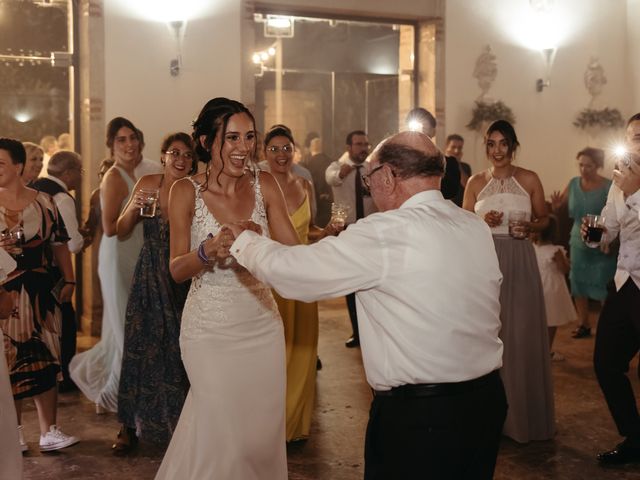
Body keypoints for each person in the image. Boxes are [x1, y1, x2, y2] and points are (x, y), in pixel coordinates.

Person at [228, 130, 507, 479]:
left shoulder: (384, 232)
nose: (368, 186)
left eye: (369, 177)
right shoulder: (473, 226)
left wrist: (245, 241)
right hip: (486, 402)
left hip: (423, 419)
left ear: (388, 176)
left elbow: (296, 275)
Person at [155, 97, 298, 479]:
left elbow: (294, 253)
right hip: (209, 331)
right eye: (231, 137)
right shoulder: (185, 191)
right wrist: (205, 251)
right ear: (206, 142)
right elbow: (176, 269)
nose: (244, 147)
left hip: (261, 326)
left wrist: (260, 244)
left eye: (249, 136)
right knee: (225, 435)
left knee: (257, 438)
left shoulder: (265, 184)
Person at [463, 119, 555, 443]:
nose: (497, 150)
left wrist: (531, 226)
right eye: (491, 143)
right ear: (486, 147)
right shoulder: (474, 182)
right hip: (487, 263)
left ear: (513, 146)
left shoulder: (529, 178)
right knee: (490, 336)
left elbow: (544, 219)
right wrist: (479, 219)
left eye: (503, 143)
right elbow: (463, 225)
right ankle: (490, 417)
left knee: (521, 334)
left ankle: (523, 417)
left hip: (520, 258)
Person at [112, 132, 195, 454]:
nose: (181, 159)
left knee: (180, 349)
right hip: (149, 272)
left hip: (184, 274)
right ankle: (128, 425)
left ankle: (183, 424)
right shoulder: (148, 182)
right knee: (140, 346)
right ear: (163, 156)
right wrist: (134, 209)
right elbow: (120, 230)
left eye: (187, 155)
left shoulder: (196, 189)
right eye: (174, 152)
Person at [0, 138, 79, 452]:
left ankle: (49, 430)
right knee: (10, 359)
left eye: (1, 163)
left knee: (46, 355)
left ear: (18, 166)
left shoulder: (46, 202)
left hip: (41, 289)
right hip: (4, 290)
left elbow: (60, 244)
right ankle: (13, 430)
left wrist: (69, 281)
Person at [262, 124, 340, 442]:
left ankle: (293, 426)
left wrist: (329, 231)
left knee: (304, 348)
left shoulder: (305, 185)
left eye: (286, 148)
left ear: (295, 151)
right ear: (263, 153)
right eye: (274, 149)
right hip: (270, 277)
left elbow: (308, 232)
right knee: (273, 349)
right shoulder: (256, 187)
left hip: (303, 276)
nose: (282, 155)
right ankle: (267, 423)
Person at [70, 117, 145, 414]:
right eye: (121, 140)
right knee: (125, 329)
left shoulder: (139, 173)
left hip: (135, 253)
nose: (129, 145)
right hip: (117, 257)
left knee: (121, 331)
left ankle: (111, 392)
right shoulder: (114, 177)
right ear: (111, 146)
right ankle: (121, 397)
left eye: (132, 138)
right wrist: (139, 208)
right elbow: (112, 228)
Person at [593, 113, 640, 465]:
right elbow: (610, 228)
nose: (632, 143)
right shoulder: (618, 180)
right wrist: (595, 235)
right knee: (606, 363)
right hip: (624, 283)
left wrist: (635, 191)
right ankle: (635, 437)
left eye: (638, 137)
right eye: (630, 137)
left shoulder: (631, 183)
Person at [32, 151, 87, 392]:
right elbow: (71, 243)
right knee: (65, 324)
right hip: (55, 272)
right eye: (80, 171)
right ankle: (64, 376)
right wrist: (87, 234)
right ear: (68, 173)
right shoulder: (62, 197)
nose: (81, 177)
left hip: (34, 266)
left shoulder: (35, 188)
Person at [551, 147, 615, 339]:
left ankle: (607, 326)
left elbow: (616, 212)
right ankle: (584, 324)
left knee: (604, 283)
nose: (584, 169)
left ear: (598, 166)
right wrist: (555, 206)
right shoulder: (573, 183)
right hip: (578, 239)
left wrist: (609, 236)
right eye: (581, 165)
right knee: (578, 282)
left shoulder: (608, 186)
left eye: (589, 165)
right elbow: (560, 205)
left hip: (602, 238)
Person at [325, 130, 376, 348]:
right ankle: (357, 331)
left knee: (373, 283)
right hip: (348, 232)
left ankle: (374, 331)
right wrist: (342, 173)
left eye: (366, 143)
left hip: (372, 231)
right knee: (352, 285)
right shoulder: (337, 166)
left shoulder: (372, 169)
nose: (363, 148)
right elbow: (331, 179)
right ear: (349, 147)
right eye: (358, 144)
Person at [532, 215, 576, 360]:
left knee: (538, 322)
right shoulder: (555, 250)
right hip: (553, 290)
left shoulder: (531, 248)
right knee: (551, 322)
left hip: (537, 288)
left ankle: (536, 350)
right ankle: (547, 351)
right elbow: (564, 269)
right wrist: (568, 263)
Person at [405, 108, 460, 201]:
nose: (420, 133)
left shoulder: (449, 163)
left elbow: (451, 192)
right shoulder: (400, 161)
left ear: (433, 131)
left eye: (424, 129)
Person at [445, 133, 471, 206]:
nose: (456, 151)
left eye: (459, 148)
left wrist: (457, 164)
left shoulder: (465, 167)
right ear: (447, 147)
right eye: (453, 147)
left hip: (460, 208)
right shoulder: (439, 164)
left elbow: (467, 187)